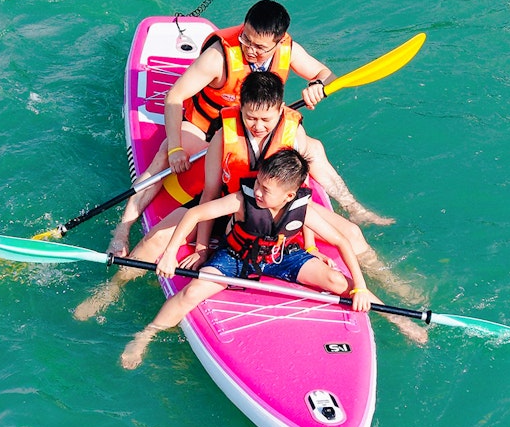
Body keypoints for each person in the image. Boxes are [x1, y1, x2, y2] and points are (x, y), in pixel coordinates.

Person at [75, 72, 428, 347]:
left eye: (265, 119)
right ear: (241, 108)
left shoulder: (293, 130)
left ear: (280, 111)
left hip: (279, 205)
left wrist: (308, 247)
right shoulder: (224, 134)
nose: (257, 125)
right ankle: (110, 291)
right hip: (232, 204)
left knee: (350, 235)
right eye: (250, 117)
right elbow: (210, 192)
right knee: (154, 241)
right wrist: (201, 248)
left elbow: (302, 188)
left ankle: (394, 307)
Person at [106, 0, 392, 257]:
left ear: (278, 43)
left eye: (259, 46)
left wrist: (317, 87)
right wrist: (179, 146)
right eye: (247, 39)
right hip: (205, 128)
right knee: (166, 152)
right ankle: (122, 229)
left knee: (313, 148)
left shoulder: (289, 50)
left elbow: (325, 75)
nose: (250, 49)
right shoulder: (219, 56)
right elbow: (174, 97)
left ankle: (354, 208)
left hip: (253, 126)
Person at [120, 150, 376, 369]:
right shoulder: (243, 200)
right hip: (236, 258)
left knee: (338, 281)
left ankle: (396, 318)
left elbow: (342, 241)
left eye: (266, 189)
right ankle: (145, 336)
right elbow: (195, 214)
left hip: (280, 257)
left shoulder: (301, 208)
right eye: (259, 184)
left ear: (289, 196)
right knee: (191, 293)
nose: (258, 191)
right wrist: (169, 255)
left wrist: (361, 287)